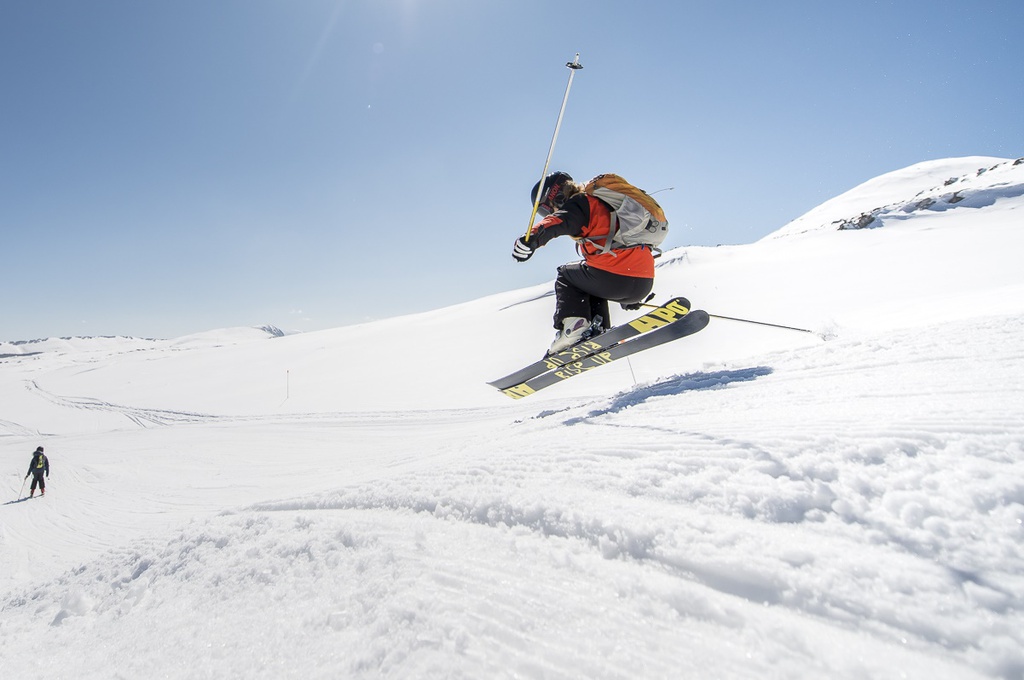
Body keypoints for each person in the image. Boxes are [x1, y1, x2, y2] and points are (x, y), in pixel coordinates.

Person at [512, 171, 656, 355]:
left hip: (619, 279)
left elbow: (556, 222)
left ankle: (574, 331)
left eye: (545, 210)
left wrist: (531, 238)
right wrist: (630, 296)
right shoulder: (604, 205)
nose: (548, 213)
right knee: (587, 276)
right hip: (642, 282)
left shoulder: (580, 204)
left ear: (556, 197)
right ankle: (598, 330)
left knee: (566, 275)